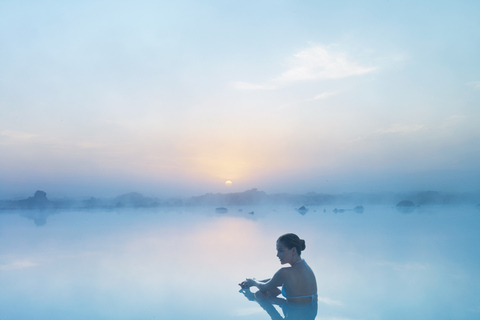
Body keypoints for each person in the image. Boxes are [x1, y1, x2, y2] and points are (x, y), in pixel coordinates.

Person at [239, 233, 318, 320]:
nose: (277, 255)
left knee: (259, 295)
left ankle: (259, 299)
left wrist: (253, 282)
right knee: (270, 289)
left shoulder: (284, 273)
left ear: (293, 251)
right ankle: (271, 294)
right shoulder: (307, 268)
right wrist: (256, 281)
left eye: (280, 250)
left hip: (293, 311)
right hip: (308, 311)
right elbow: (276, 280)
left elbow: (263, 288)